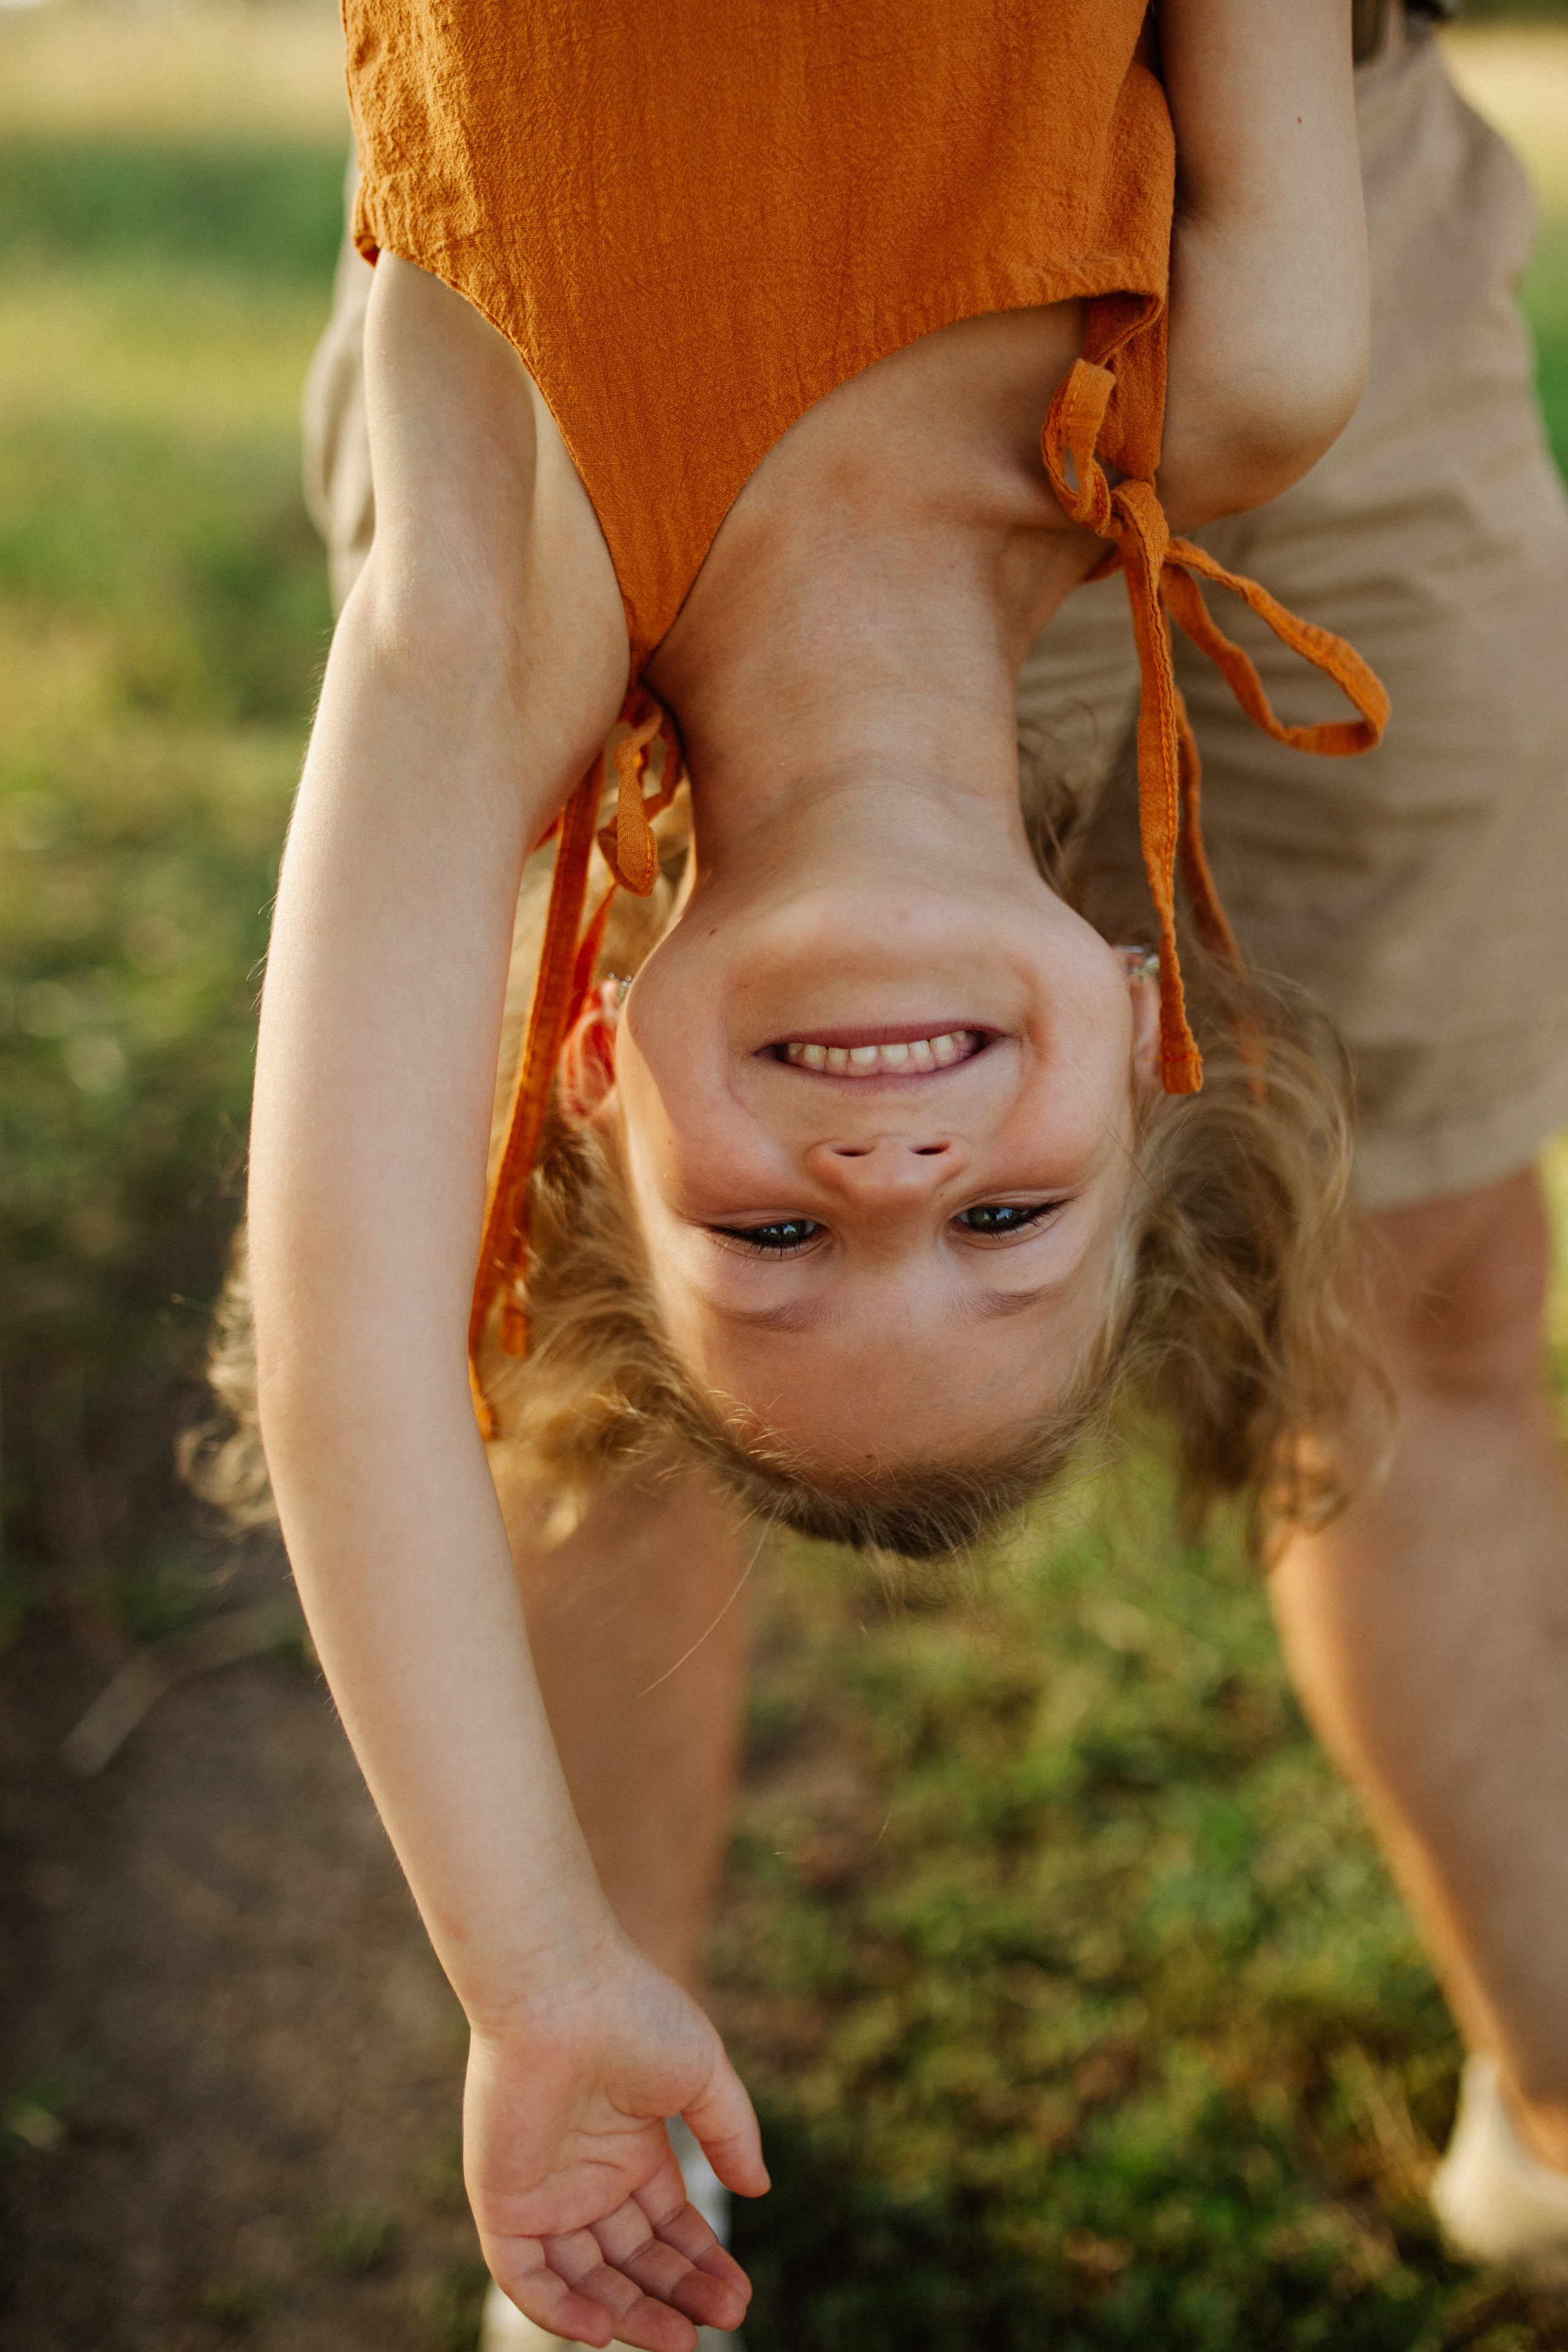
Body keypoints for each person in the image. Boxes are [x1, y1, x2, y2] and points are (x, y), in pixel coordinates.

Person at [208, 3, 1414, 2345]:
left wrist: (546, 1981)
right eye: (1004, 1220)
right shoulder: (1244, 365)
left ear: (589, 1071)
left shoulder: (491, 617)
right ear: (1148, 1034)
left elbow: (348, 1350)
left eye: (771, 1239)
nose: (887, 1166)